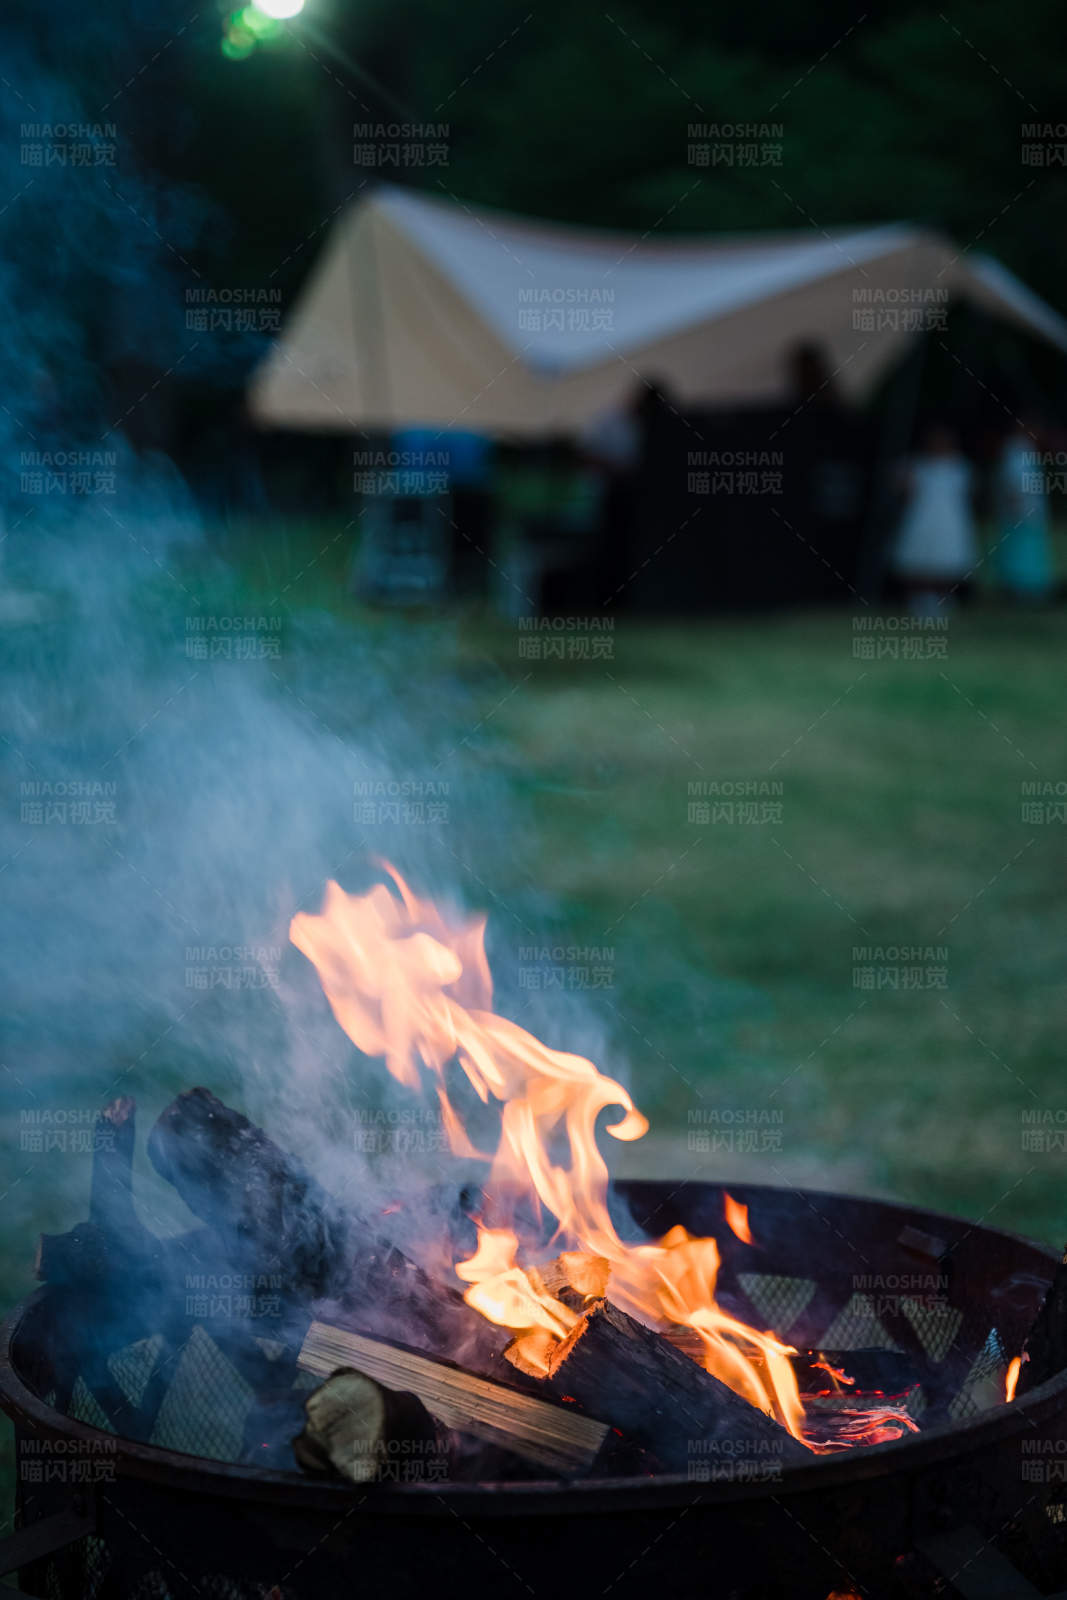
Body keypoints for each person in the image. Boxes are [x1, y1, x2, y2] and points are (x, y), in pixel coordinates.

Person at [888, 422, 978, 614]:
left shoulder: (960, 466)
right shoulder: (915, 464)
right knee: (919, 559)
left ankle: (943, 597)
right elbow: (899, 490)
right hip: (921, 518)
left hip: (949, 519)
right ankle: (920, 599)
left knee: (946, 559)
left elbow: (969, 493)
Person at [994, 420, 1055, 602]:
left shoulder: (1026, 450)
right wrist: (1018, 509)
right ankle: (1019, 592)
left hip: (1029, 515)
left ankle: (1030, 591)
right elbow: (1012, 484)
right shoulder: (1015, 451)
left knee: (1029, 554)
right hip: (1020, 515)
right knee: (1020, 555)